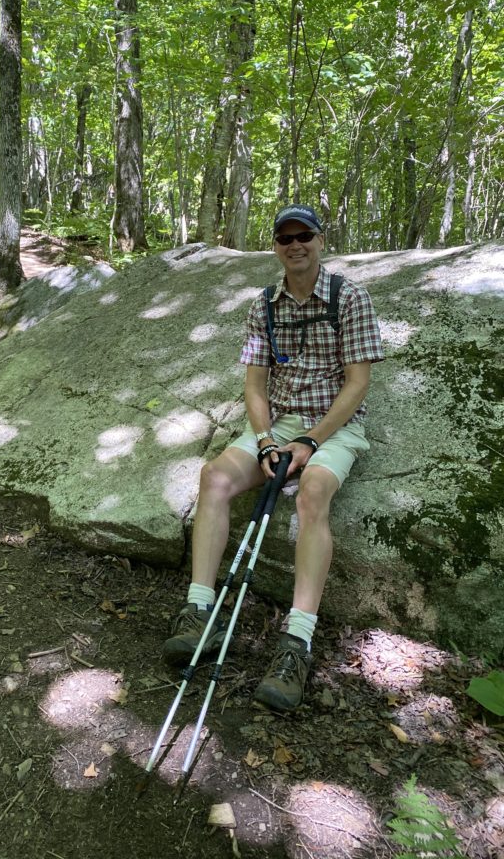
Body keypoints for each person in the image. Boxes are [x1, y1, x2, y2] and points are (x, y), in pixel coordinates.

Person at [163, 204, 384, 711]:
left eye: (303, 235)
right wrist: (265, 440)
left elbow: (358, 384)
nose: (295, 244)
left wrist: (310, 442)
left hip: (337, 426)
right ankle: (199, 610)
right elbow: (255, 385)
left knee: (312, 494)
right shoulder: (263, 305)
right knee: (215, 477)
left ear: (320, 240)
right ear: (277, 247)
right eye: (285, 238)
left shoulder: (349, 298)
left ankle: (296, 643)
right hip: (279, 422)